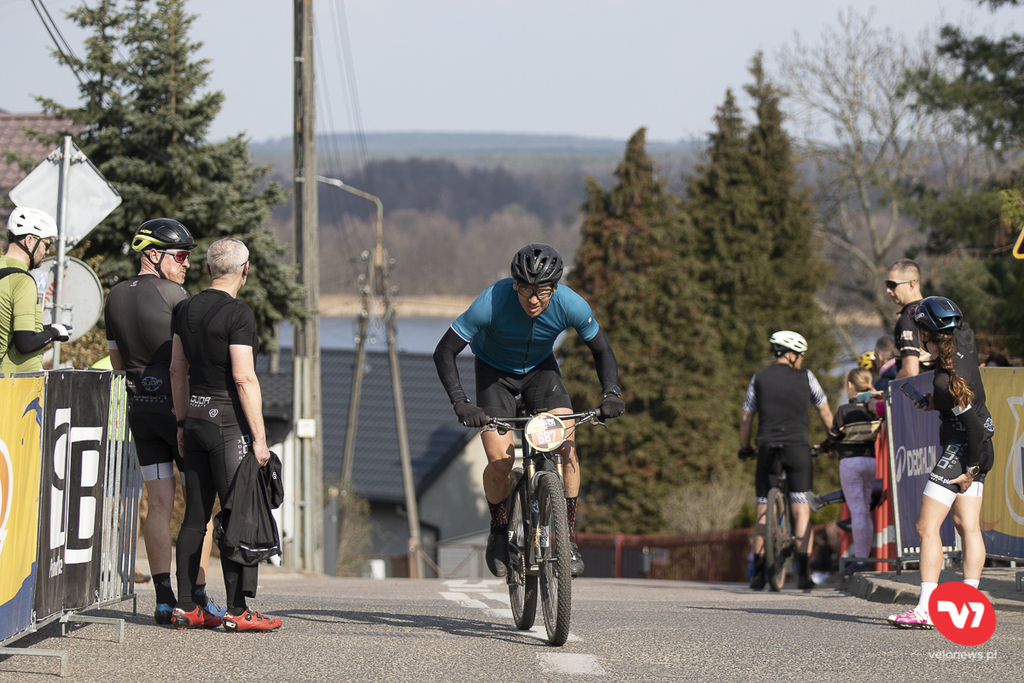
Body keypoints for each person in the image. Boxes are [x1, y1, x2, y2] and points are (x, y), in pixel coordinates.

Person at [432, 243, 624, 579]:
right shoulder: (491, 301)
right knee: (500, 461)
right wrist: (461, 402)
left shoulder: (572, 305)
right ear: (514, 284)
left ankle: (567, 538)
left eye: (542, 291)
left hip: (541, 372)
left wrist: (611, 392)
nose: (533, 299)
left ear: (555, 288)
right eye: (525, 289)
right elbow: (445, 351)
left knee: (567, 446)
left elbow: (602, 350)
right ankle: (498, 530)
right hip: (494, 375)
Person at [104, 218, 216, 624]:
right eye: (181, 256)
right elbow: (186, 360)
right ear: (153, 254)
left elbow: (117, 363)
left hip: (142, 410)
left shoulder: (114, 296)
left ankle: (164, 598)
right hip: (178, 410)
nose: (187, 264)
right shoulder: (173, 294)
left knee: (159, 504)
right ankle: (196, 596)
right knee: (200, 504)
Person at [170, 238, 282, 632]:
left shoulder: (184, 309)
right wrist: (260, 439)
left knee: (194, 518)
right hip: (228, 425)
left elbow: (176, 370)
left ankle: (186, 607)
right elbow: (243, 377)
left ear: (207, 270)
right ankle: (237, 611)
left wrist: (181, 422)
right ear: (245, 271)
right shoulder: (238, 313)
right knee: (237, 515)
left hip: (195, 419)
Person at [887, 296, 994, 629]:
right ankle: (969, 605)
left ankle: (925, 610)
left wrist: (970, 470)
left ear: (925, 333)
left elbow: (972, 427)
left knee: (926, 527)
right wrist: (935, 404)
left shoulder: (948, 378)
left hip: (964, 450)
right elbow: (967, 411)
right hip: (979, 446)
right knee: (967, 526)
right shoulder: (959, 353)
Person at [739, 331, 833, 590]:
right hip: (797, 448)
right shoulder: (807, 377)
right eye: (800, 355)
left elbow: (746, 417)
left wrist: (745, 448)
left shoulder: (759, 378)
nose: (801, 360)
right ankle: (803, 574)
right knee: (801, 507)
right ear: (791, 355)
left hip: (767, 448)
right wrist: (831, 441)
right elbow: (825, 411)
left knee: (763, 508)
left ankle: (759, 575)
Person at [814, 367, 882, 574]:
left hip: (850, 463)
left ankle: (861, 560)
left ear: (850, 385)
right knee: (865, 511)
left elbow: (834, 436)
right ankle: (864, 557)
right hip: (870, 462)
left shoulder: (844, 410)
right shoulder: (875, 409)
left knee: (858, 511)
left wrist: (824, 447)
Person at [0, 207, 71, 373]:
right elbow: (25, 343)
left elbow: (9, 329)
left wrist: (45, 328)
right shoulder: (22, 281)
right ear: (29, 241)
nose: (47, 251)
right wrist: (54, 332)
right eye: (47, 244)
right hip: (16, 382)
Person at [885, 259, 929, 378]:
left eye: (892, 285)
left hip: (921, 388)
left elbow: (910, 371)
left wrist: (891, 387)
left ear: (911, 285)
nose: (888, 290)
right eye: (887, 285)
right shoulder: (932, 312)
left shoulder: (908, 320)